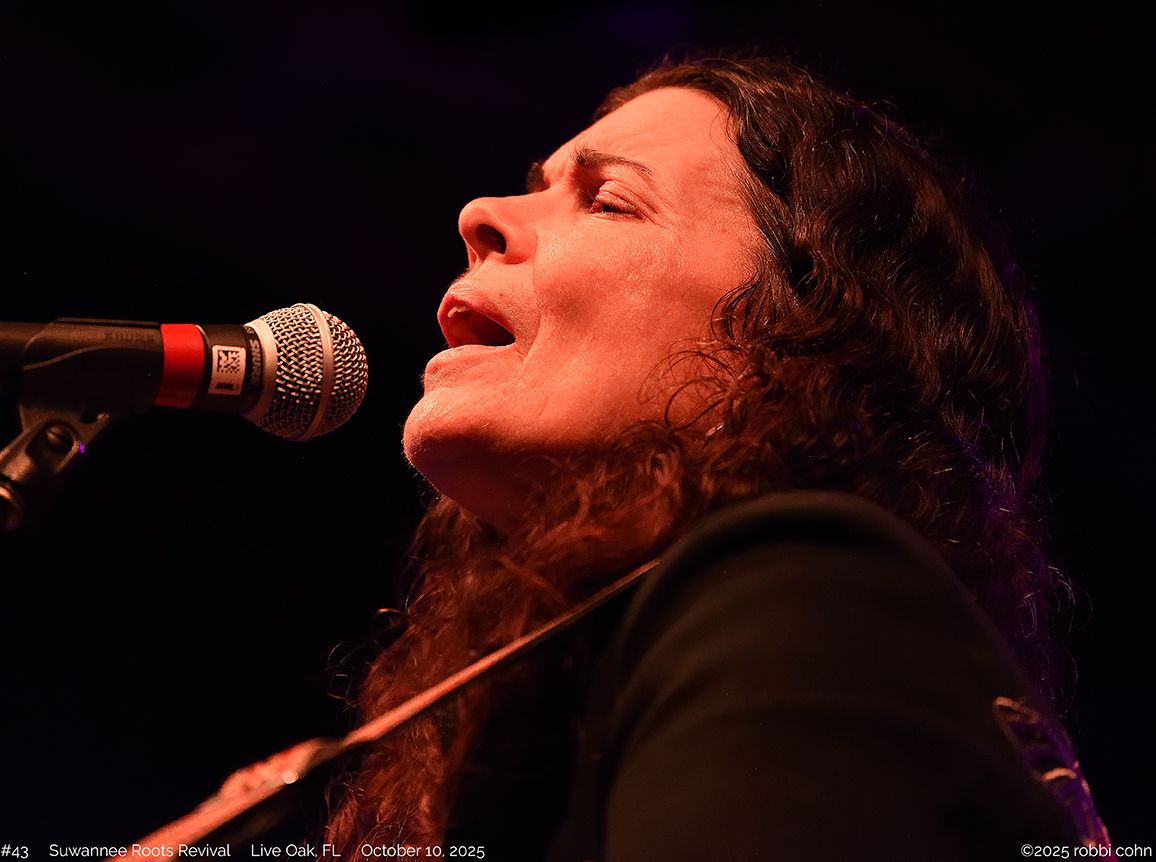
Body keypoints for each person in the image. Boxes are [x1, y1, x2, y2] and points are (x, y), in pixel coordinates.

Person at [322, 55, 1111, 859]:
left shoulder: (810, 599)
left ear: (797, 333)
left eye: (607, 201)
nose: (478, 215)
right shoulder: (558, 692)